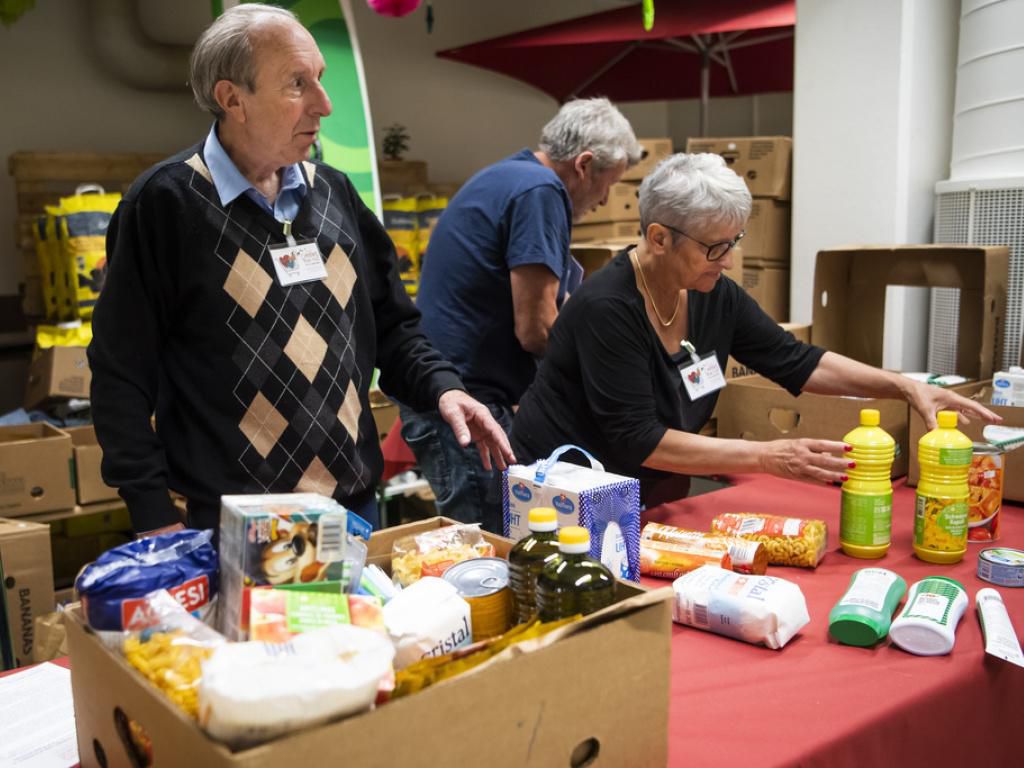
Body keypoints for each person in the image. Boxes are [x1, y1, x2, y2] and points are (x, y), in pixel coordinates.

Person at [88, 4, 512, 537]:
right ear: (231, 99)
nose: (325, 105)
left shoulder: (334, 193)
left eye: (321, 79)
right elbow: (118, 372)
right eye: (297, 84)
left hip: (354, 510)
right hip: (235, 526)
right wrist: (150, 510)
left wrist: (443, 388)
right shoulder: (166, 204)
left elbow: (392, 325)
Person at [511, 153, 1000, 507]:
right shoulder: (609, 308)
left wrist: (903, 387)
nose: (727, 261)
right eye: (714, 247)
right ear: (659, 238)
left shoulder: (711, 291)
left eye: (734, 242)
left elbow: (793, 359)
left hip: (651, 488)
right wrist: (770, 455)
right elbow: (638, 438)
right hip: (565, 490)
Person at [399, 98, 642, 532]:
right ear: (584, 164)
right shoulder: (542, 193)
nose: (606, 200)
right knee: (489, 544)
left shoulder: (510, 175)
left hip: (451, 389)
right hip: (468, 403)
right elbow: (537, 329)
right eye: (610, 183)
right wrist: (602, 367)